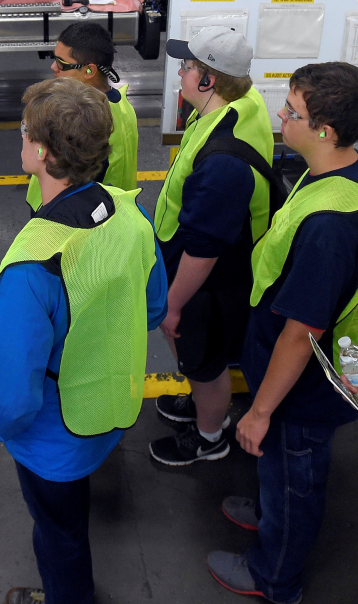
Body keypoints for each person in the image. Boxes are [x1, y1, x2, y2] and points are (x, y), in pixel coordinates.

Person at [0, 78, 168, 604]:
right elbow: (152, 308)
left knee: (59, 534)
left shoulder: (32, 261)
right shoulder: (131, 214)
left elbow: (12, 398)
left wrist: (1, 424)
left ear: (40, 151)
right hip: (109, 407)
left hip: (50, 440)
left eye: (23, 133)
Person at [206, 62, 358, 604]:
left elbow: (302, 332)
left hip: (306, 385)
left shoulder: (329, 226)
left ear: (323, 130)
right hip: (296, 366)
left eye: (292, 111)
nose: (281, 115)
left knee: (294, 474)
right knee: (278, 467)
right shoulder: (343, 168)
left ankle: (275, 576)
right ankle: (265, 508)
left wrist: (259, 411)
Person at [149, 27, 275, 466]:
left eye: (187, 67)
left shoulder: (224, 162)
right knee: (200, 360)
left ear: (209, 81)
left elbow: (204, 251)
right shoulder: (241, 107)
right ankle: (205, 407)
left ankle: (209, 437)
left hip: (211, 283)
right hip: (215, 269)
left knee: (205, 363)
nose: (179, 74)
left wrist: (174, 303)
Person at [26, 22, 139, 210]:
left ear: (89, 71)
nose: (53, 67)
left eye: (62, 64)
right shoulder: (121, 106)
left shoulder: (83, 123)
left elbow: (70, 196)